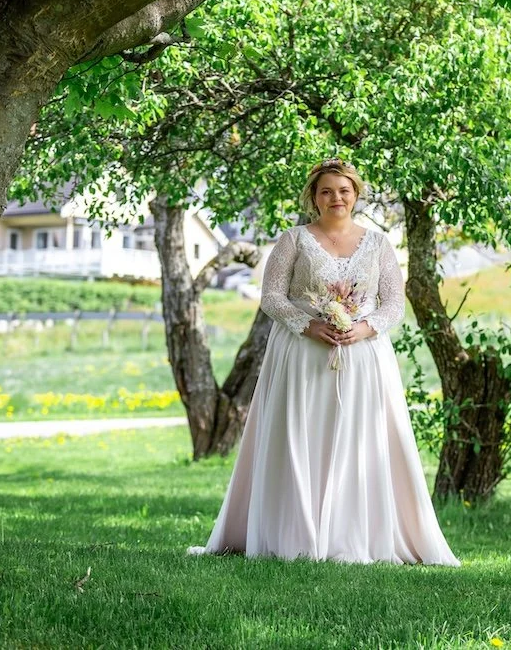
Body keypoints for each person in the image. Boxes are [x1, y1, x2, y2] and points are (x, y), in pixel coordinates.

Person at [187, 159, 460, 566]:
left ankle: (353, 535)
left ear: (356, 194)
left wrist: (365, 328)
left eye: (344, 190)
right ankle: (293, 535)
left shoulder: (379, 244)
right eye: (327, 191)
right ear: (314, 198)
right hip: (300, 356)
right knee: (301, 436)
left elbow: (393, 303)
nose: (336, 198)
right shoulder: (293, 240)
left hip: (363, 359)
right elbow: (272, 297)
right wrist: (308, 325)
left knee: (358, 440)